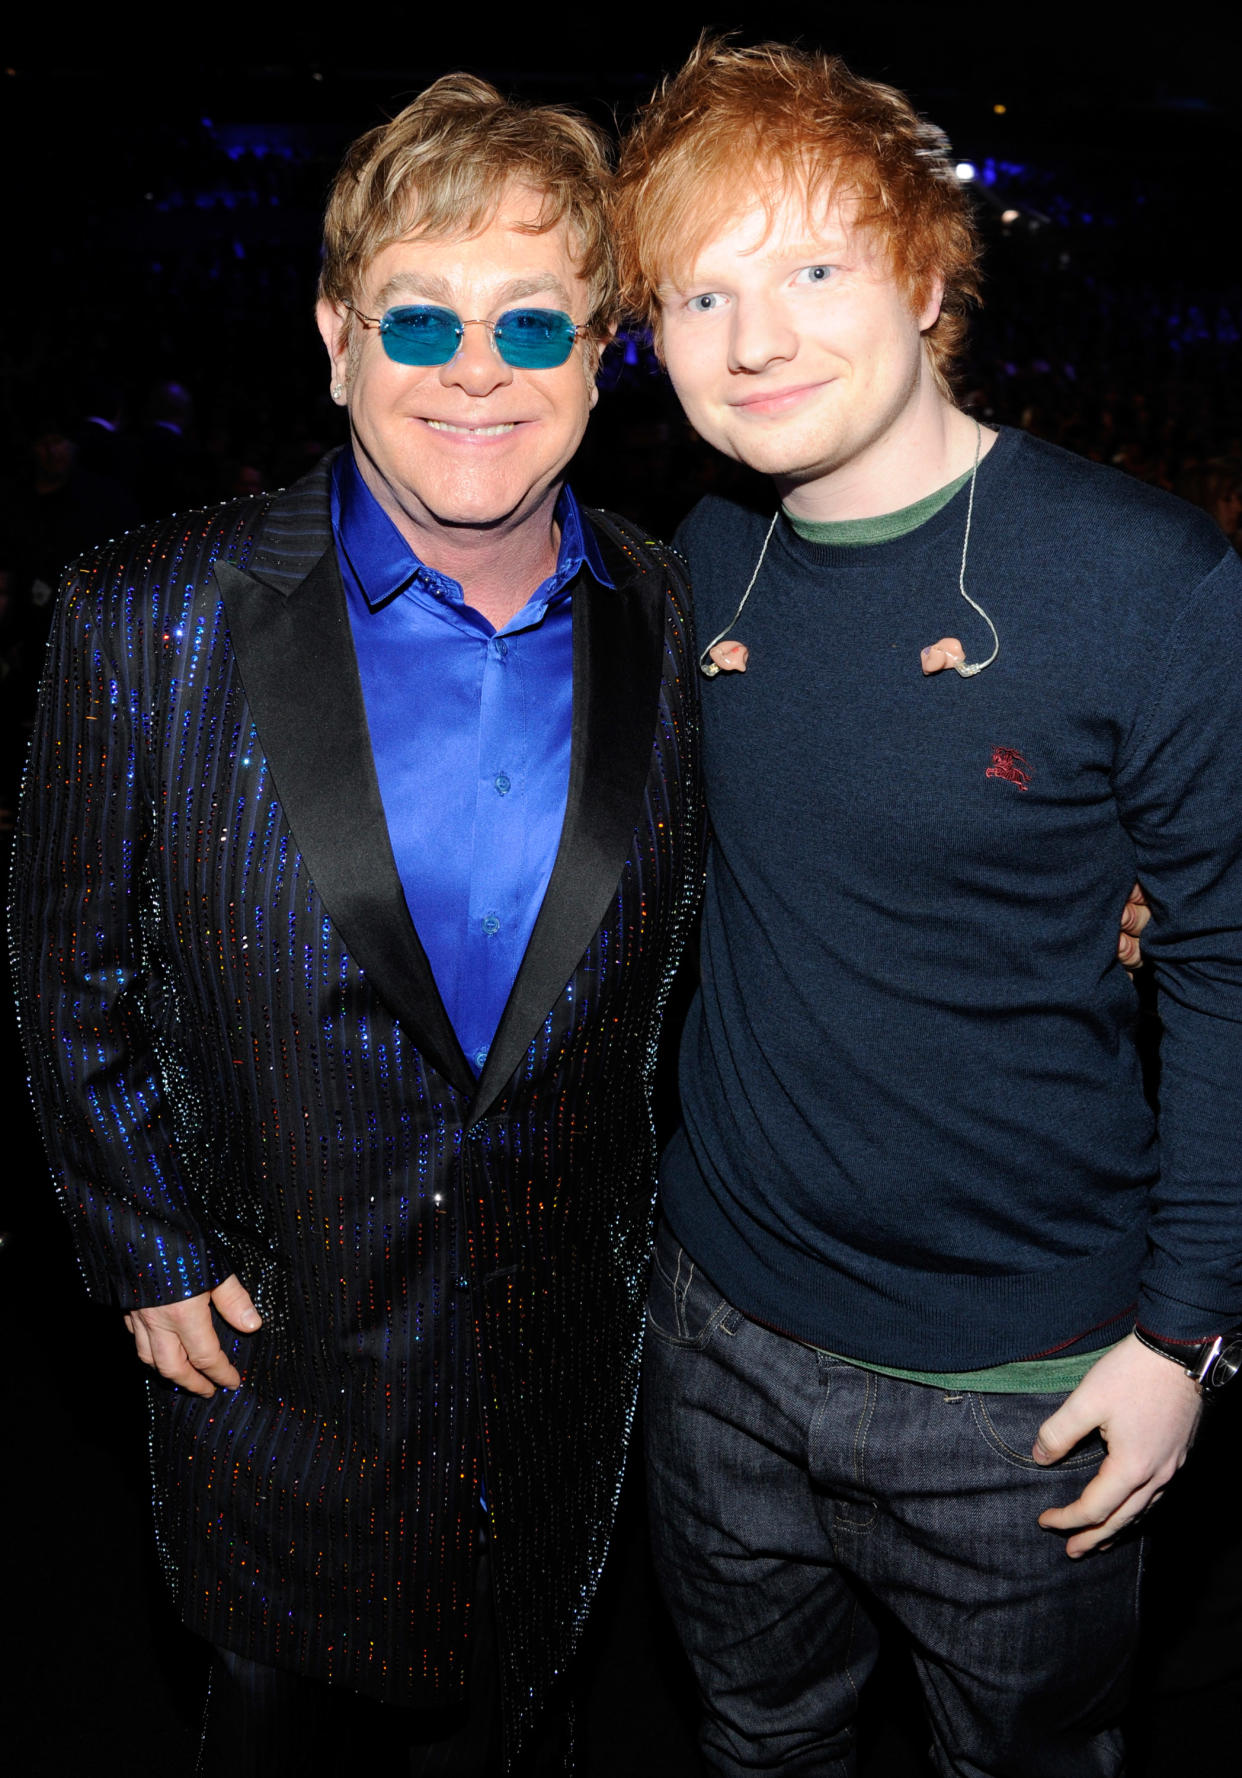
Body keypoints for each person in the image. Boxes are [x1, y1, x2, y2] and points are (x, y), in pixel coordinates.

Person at [10, 75, 705, 1775]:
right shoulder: (150, 612)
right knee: (267, 1721)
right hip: (271, 1358)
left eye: (533, 324)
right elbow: (65, 958)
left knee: (516, 1716)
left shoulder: (670, 604)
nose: (480, 369)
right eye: (422, 317)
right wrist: (144, 1239)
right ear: (336, 339)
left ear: (600, 356)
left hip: (559, 1361)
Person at [614, 37, 1242, 1777]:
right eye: (696, 293)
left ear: (923, 270)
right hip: (718, 1333)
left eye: (810, 268)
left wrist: (1185, 1334)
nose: (753, 341)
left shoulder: (1148, 583)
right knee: (755, 1737)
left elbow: (1228, 967)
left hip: (1021, 1388)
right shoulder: (702, 557)